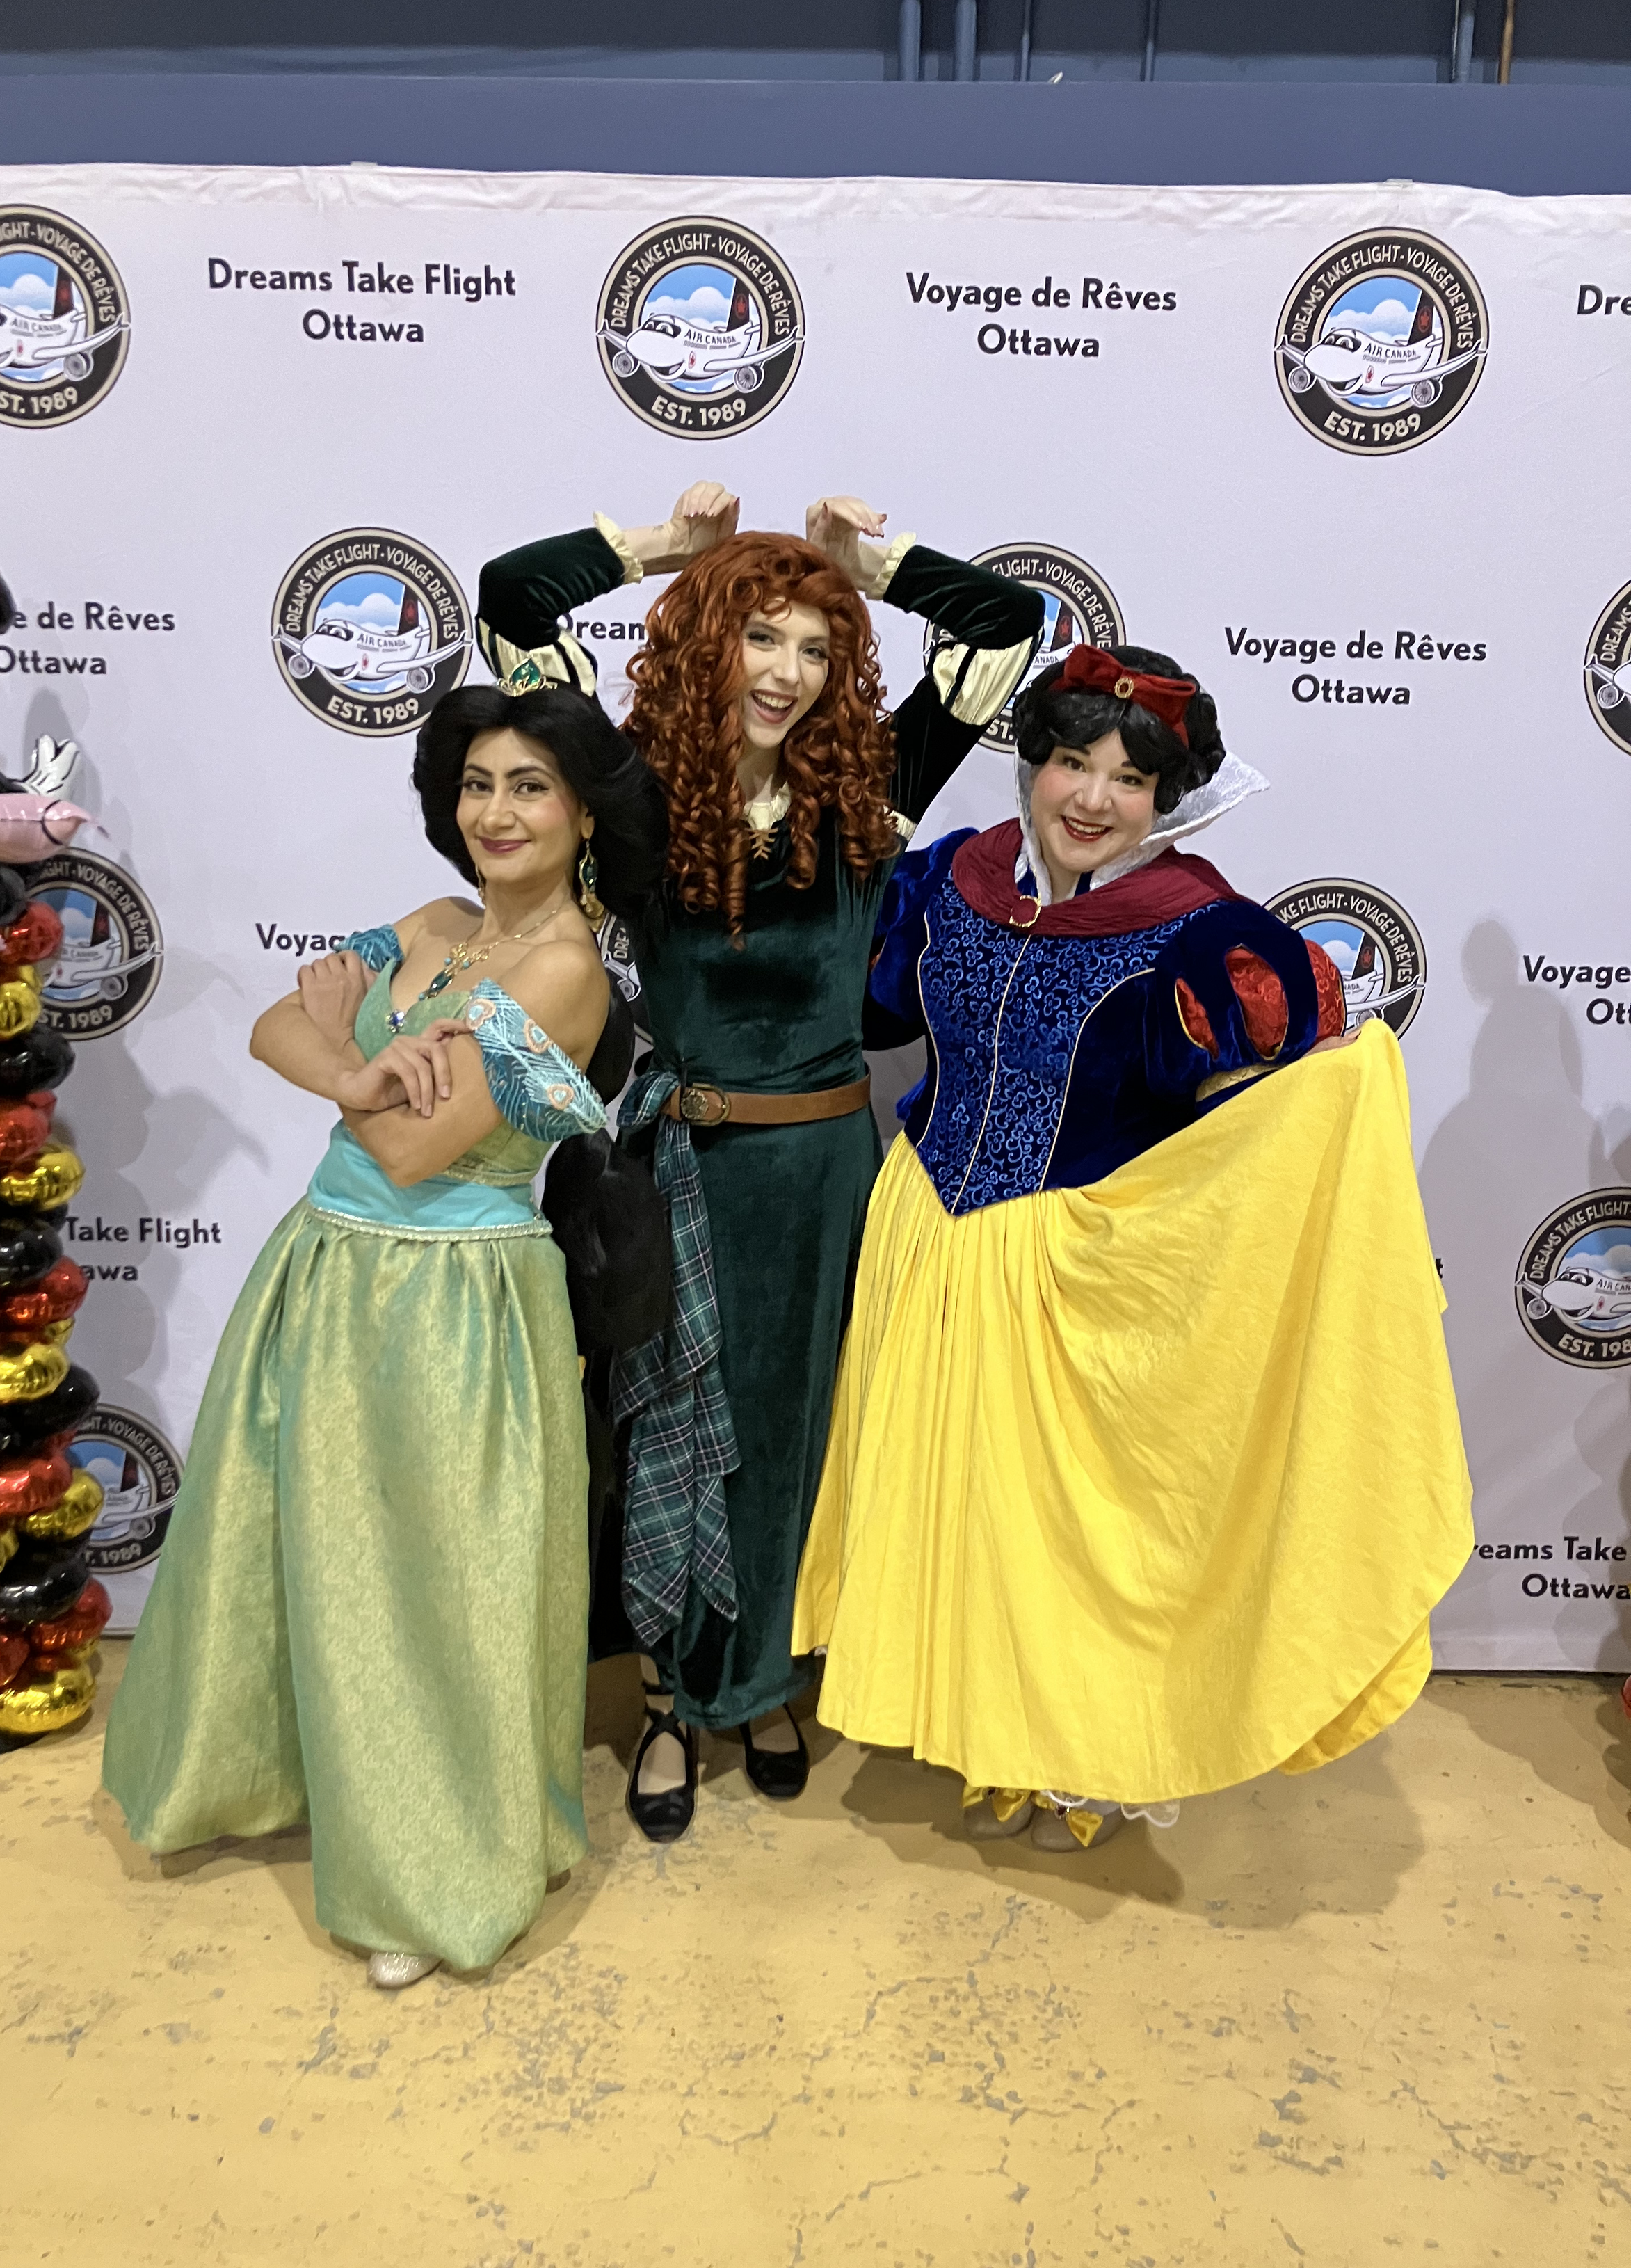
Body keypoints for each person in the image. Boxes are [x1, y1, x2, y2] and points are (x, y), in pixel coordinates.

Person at [793, 644, 1474, 1850]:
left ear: (1170, 797)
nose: (1093, 799)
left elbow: (1288, 1076)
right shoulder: (950, 878)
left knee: (1075, 1534)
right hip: (931, 1244)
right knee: (968, 1517)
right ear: (1033, 763)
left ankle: (1089, 1763)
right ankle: (989, 1738)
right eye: (1070, 762)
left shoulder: (1199, 931)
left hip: (1075, 1273)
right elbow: (876, 1011)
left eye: (1129, 778)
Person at [477, 485, 1043, 1839]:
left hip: (828, 1178)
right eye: (760, 637)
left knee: (802, 1431)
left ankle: (775, 1677)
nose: (785, 672)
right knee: (668, 1428)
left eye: (811, 645)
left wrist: (878, 562)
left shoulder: (872, 785)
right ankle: (676, 1696)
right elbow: (511, 600)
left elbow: (1002, 621)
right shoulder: (626, 794)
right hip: (677, 1171)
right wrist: (656, 548)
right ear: (704, 644)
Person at [103, 680, 666, 1985]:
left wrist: (333, 1044)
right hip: (325, 1271)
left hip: (449, 1302)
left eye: (529, 786)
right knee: (299, 1549)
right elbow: (268, 1024)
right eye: (477, 785)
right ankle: (310, 1783)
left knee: (428, 1588)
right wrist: (353, 1065)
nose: (497, 811)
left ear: (584, 811)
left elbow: (418, 1152)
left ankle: (431, 1869)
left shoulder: (566, 971)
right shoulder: (434, 925)